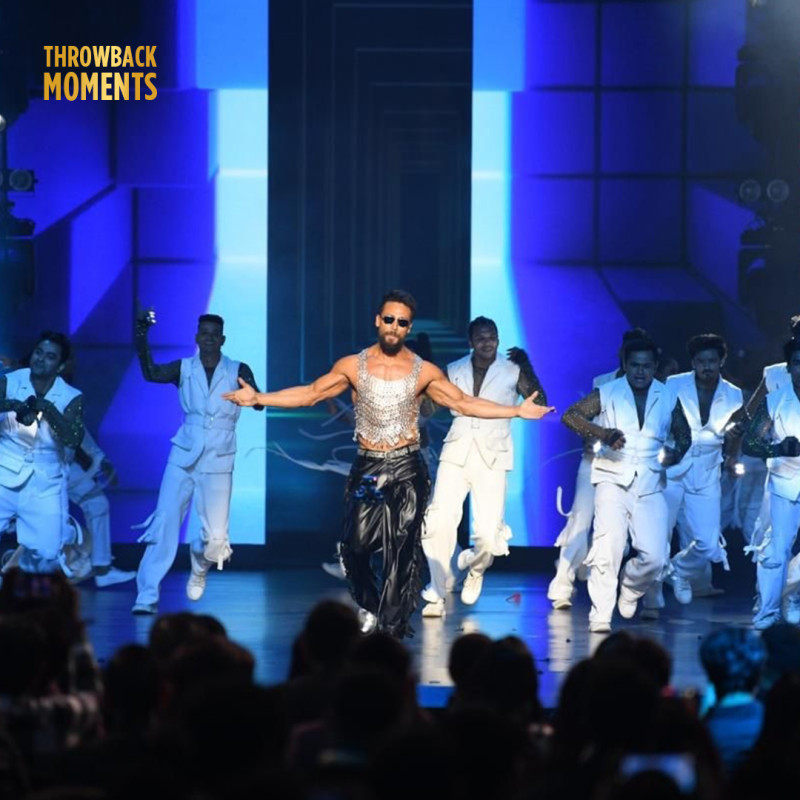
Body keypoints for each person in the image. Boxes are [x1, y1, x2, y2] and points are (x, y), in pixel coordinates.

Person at [223, 290, 554, 637]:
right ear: (378, 321)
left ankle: (392, 626)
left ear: (408, 328)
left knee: (401, 548)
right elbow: (311, 393)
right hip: (370, 471)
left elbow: (465, 403)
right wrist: (258, 398)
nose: (395, 326)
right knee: (356, 546)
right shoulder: (353, 366)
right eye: (389, 319)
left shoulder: (424, 371)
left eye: (402, 322)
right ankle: (371, 603)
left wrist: (516, 410)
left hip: (407, 469)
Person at [131, 310, 263, 615]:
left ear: (223, 339)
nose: (209, 338)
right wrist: (141, 335)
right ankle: (147, 594)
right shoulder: (184, 368)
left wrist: (252, 397)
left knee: (216, 540)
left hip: (219, 457)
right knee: (164, 523)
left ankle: (200, 566)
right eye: (204, 333)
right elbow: (151, 373)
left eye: (215, 334)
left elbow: (256, 402)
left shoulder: (237, 369)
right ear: (197, 337)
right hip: (184, 455)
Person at [561, 331, 691, 632]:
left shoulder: (667, 396)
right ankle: (600, 615)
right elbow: (571, 416)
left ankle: (631, 586)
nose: (640, 372)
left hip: (650, 483)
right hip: (611, 478)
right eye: (634, 365)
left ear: (655, 366)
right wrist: (603, 433)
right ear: (625, 365)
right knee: (608, 548)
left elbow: (684, 434)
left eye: (646, 366)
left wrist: (675, 453)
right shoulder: (607, 392)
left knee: (656, 557)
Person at [419, 316, 547, 617]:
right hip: (457, 450)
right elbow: (428, 407)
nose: (487, 343)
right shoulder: (454, 369)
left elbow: (539, 401)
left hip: (493, 455)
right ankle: (437, 590)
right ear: (471, 341)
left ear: (498, 339)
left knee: (488, 534)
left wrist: (527, 366)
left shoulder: (512, 369)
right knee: (438, 522)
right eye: (481, 338)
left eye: (492, 337)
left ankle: (475, 570)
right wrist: (422, 390)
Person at [547, 328, 647, 610]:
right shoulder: (603, 383)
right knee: (579, 521)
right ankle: (562, 584)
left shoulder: (654, 389)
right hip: (595, 462)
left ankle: (617, 586)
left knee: (619, 532)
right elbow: (579, 418)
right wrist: (593, 437)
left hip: (628, 471)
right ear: (622, 356)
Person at [659, 334, 744, 605]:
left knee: (708, 543)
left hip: (707, 471)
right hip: (672, 467)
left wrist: (731, 451)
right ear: (693, 362)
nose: (706, 367)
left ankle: (679, 571)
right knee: (660, 534)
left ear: (721, 361)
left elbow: (734, 433)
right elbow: (658, 420)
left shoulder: (733, 393)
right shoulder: (674, 384)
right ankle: (651, 596)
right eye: (701, 361)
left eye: (712, 361)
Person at [0, 332, 84, 573]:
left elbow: (72, 438)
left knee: (47, 555)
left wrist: (46, 408)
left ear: (60, 365)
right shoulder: (11, 381)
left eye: (50, 356)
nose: (41, 359)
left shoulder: (71, 396)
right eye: (38, 352)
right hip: (4, 473)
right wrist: (14, 406)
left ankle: (62, 532)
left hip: (45, 483)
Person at [742, 336, 800, 629]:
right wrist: (777, 448)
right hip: (784, 483)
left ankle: (791, 595)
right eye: (798, 363)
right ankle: (767, 611)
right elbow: (750, 443)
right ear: (788, 368)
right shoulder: (774, 401)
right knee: (777, 549)